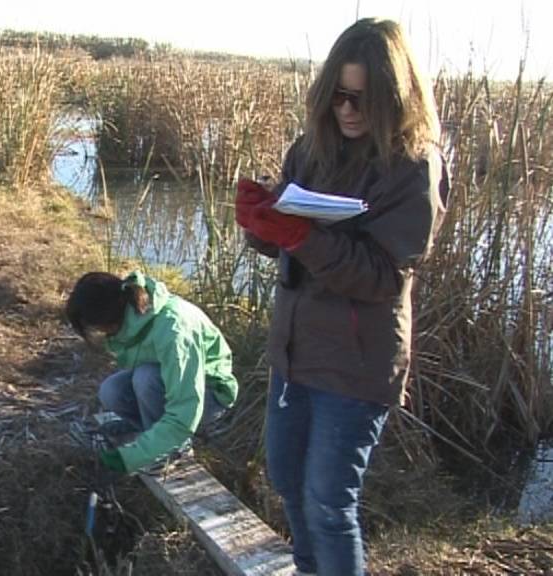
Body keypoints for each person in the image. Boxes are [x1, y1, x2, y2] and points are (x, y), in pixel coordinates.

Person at [235, 18, 449, 576]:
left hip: (357, 364)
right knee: (287, 482)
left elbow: (382, 276)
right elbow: (283, 248)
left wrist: (304, 236)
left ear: (394, 97)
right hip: (295, 352)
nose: (347, 110)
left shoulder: (414, 167)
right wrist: (261, 223)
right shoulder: (311, 149)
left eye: (362, 99)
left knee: (329, 504)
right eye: (337, 96)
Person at [65, 270, 239, 474]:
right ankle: (150, 433)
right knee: (112, 390)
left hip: (208, 396)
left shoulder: (174, 331)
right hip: (169, 385)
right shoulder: (132, 317)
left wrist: (132, 457)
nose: (101, 335)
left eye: (99, 329)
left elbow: (186, 408)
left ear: (108, 321)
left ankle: (175, 448)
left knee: (145, 378)